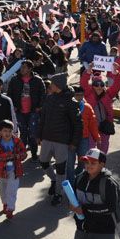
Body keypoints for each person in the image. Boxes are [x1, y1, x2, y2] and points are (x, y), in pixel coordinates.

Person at [39, 74, 82, 207]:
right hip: (47, 138)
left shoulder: (71, 102)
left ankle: (58, 193)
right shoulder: (49, 98)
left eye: (52, 83)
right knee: (43, 162)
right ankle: (53, 180)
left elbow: (77, 124)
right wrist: (39, 135)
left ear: (57, 85)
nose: (50, 85)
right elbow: (43, 117)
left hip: (62, 141)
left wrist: (74, 142)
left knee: (61, 169)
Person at [80, 63, 120, 154]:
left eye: (101, 84)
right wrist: (87, 72)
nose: (99, 87)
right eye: (96, 84)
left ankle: (100, 162)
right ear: (92, 85)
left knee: (103, 145)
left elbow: (117, 86)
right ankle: (91, 163)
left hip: (105, 124)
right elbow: (83, 83)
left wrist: (116, 73)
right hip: (91, 124)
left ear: (104, 85)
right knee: (90, 146)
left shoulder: (108, 94)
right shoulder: (88, 93)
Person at [6, 60, 45, 160]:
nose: (22, 69)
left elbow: (43, 94)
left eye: (24, 67)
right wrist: (13, 105)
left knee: (33, 133)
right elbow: (9, 93)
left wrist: (39, 106)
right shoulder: (15, 80)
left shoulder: (37, 80)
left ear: (30, 69)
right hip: (19, 111)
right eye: (21, 67)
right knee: (23, 133)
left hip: (33, 111)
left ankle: (34, 153)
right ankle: (22, 153)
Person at [0, 119, 27, 219]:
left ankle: (10, 208)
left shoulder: (17, 141)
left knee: (12, 190)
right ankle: (5, 203)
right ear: (0, 132)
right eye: (5, 131)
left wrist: (18, 156)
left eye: (9, 131)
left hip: (14, 170)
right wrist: (10, 155)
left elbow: (24, 153)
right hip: (0, 171)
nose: (7, 133)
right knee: (3, 190)